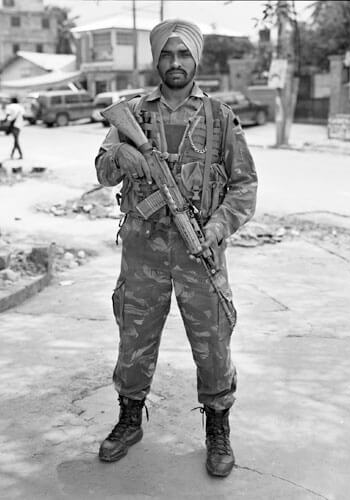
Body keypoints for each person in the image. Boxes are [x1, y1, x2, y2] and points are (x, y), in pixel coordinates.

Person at [95, 19, 257, 478]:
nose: (175, 63)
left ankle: (218, 429)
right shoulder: (131, 114)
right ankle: (129, 420)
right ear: (156, 61)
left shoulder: (220, 117)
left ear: (196, 60)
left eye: (183, 54)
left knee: (212, 344)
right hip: (143, 251)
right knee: (135, 338)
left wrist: (218, 226)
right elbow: (103, 172)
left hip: (199, 251)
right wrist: (118, 156)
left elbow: (244, 186)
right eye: (166, 55)